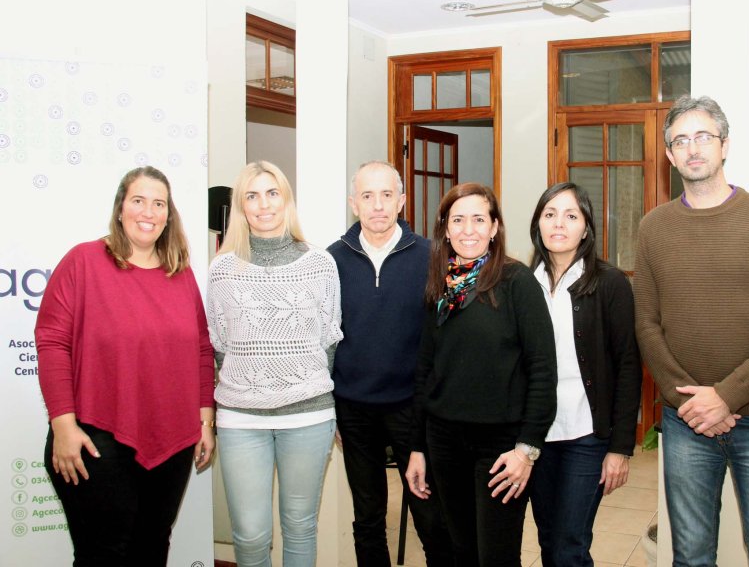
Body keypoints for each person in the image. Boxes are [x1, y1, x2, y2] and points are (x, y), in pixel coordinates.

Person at [633, 95, 749, 566]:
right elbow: (647, 325)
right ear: (670, 155)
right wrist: (695, 404)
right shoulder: (654, 228)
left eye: (703, 137)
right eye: (681, 140)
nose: (692, 149)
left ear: (725, 145)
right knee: (691, 555)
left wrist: (726, 397)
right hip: (685, 420)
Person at [35, 166, 215, 566]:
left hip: (172, 438)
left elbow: (202, 350)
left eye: (158, 203)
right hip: (95, 437)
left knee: (152, 547)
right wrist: (62, 425)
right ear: (120, 209)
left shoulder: (180, 274)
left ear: (169, 215)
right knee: (104, 554)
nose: (148, 211)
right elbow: (51, 342)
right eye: (138, 200)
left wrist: (205, 421)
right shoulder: (83, 262)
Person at [405, 182, 557, 567]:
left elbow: (542, 369)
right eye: (458, 220)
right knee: (462, 551)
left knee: (497, 556)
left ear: (494, 228)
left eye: (478, 219)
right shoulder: (439, 284)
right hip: (444, 441)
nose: (467, 229)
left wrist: (527, 449)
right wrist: (417, 447)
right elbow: (425, 369)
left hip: (501, 446)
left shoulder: (517, 282)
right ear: (445, 228)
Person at [206, 160, 342, 567]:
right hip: (240, 419)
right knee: (249, 535)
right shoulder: (221, 271)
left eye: (272, 193)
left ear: (286, 200)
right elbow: (220, 345)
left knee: (300, 527)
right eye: (252, 196)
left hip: (308, 417)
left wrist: (296, 381)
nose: (263, 205)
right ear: (241, 206)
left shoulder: (320, 264)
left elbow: (328, 341)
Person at [327, 161, 452, 567]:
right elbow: (324, 337)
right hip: (353, 408)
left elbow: (444, 335)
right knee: (368, 518)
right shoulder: (332, 260)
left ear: (401, 200)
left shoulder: (432, 257)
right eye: (367, 196)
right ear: (353, 203)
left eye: (386, 195)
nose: (377, 205)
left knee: (430, 517)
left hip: (411, 407)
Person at [527, 182, 642, 567]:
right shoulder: (524, 284)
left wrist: (620, 448)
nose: (559, 223)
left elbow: (628, 365)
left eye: (571, 215)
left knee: (569, 545)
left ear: (586, 228)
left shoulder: (610, 284)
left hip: (587, 436)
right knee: (547, 540)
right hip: (536, 436)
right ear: (538, 224)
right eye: (550, 214)